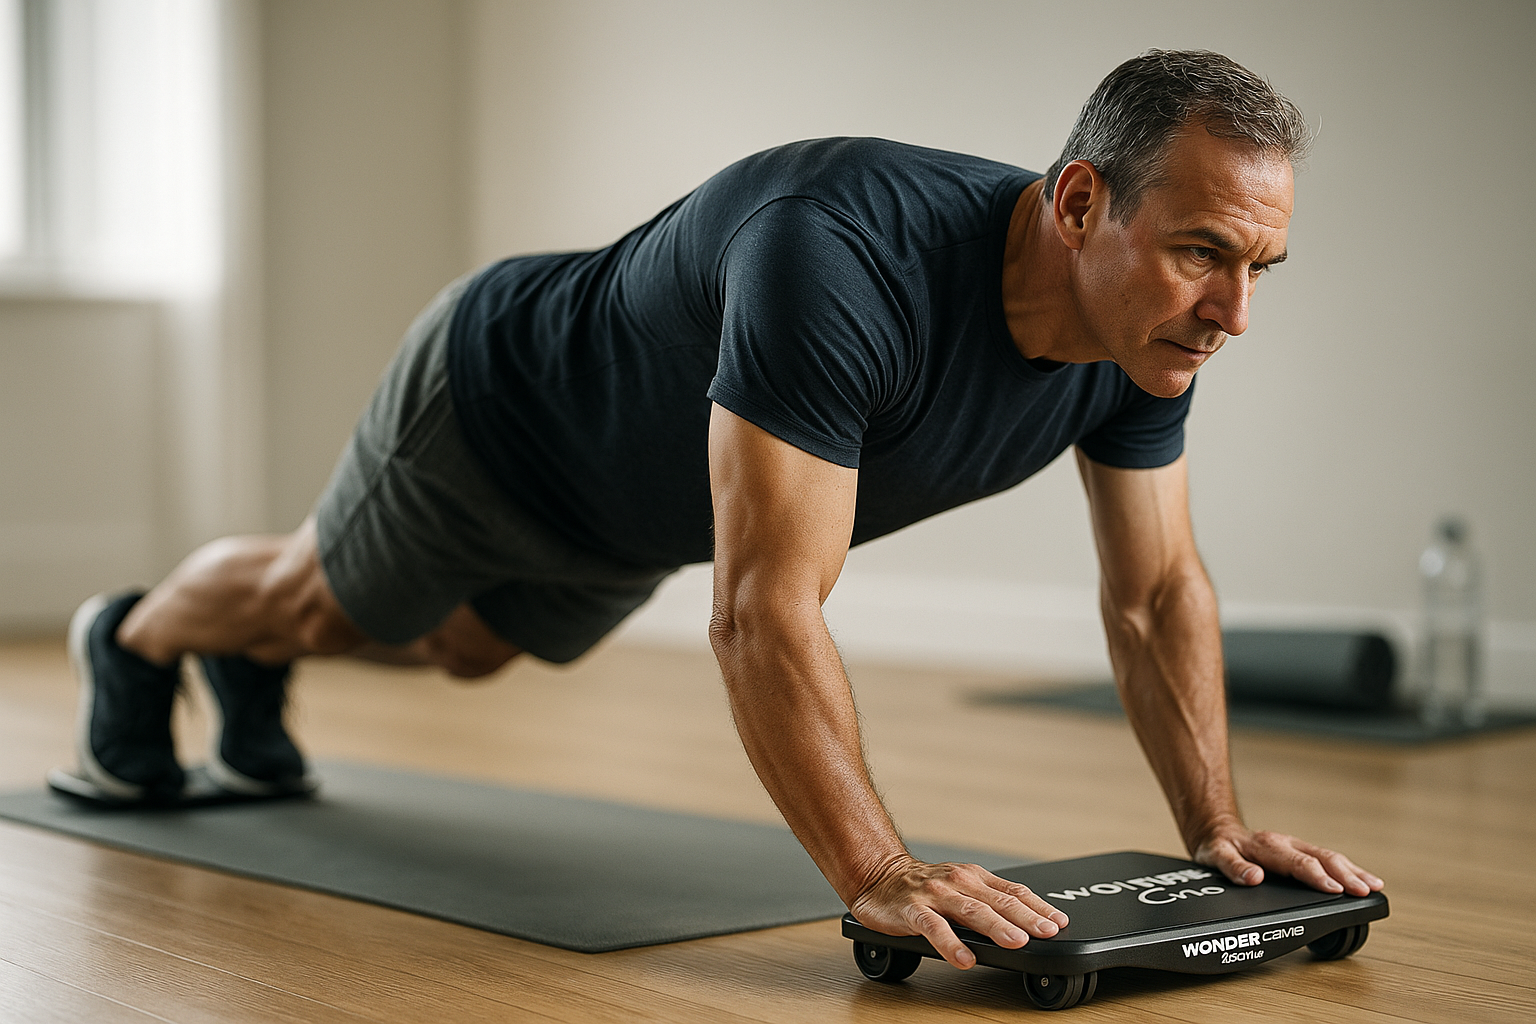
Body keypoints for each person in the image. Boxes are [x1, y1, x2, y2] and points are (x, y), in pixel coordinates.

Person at [65, 49, 1383, 970]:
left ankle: (250, 662)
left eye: (1261, 264)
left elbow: (1154, 595)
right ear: (1083, 201)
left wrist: (1213, 830)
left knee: (463, 656)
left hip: (624, 514)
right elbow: (764, 611)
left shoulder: (1135, 347)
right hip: (499, 409)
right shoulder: (846, 253)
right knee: (323, 599)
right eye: (1204, 252)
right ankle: (136, 641)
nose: (1234, 312)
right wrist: (880, 872)